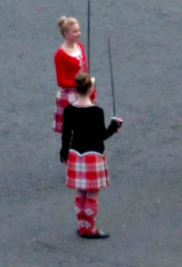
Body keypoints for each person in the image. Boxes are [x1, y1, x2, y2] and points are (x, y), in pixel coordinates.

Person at [61, 73, 123, 239]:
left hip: (75, 153)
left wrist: (64, 153)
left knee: (80, 193)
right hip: (93, 154)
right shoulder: (97, 111)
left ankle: (82, 226)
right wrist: (114, 126)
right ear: (90, 89)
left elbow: (66, 134)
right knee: (92, 194)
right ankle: (90, 228)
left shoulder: (69, 110)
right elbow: (101, 135)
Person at [53, 16, 93, 134]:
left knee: (85, 130)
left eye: (79, 30)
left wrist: (92, 93)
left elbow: (85, 72)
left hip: (83, 92)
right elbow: (61, 81)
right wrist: (81, 85)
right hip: (70, 97)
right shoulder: (60, 55)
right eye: (75, 31)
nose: (78, 34)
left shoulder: (80, 47)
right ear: (66, 34)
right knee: (70, 133)